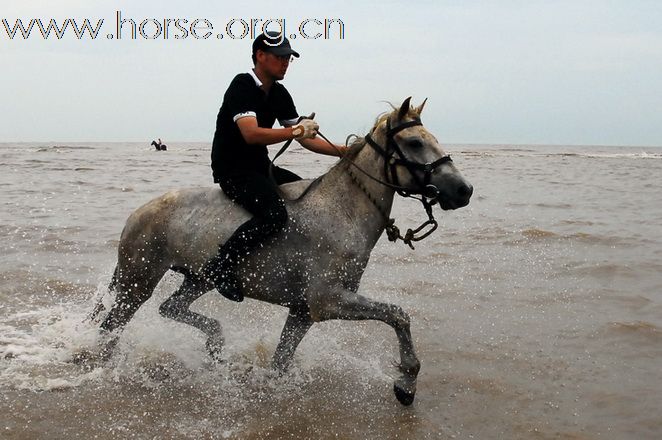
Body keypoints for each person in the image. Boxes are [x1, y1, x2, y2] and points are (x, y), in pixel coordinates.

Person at [202, 31, 347, 302]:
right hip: (233, 170)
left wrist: (347, 152)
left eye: (289, 58)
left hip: (260, 166)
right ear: (260, 56)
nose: (285, 63)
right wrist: (296, 132)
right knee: (274, 215)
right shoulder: (242, 85)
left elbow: (307, 139)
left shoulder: (279, 93)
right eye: (280, 57)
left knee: (310, 196)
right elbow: (251, 134)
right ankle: (221, 265)